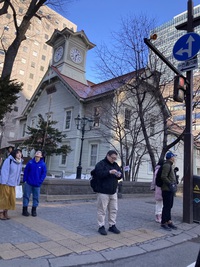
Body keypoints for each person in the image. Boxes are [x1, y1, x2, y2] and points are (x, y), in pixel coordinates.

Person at [92, 150, 123, 236]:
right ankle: (101, 226)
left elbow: (121, 175)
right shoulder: (101, 164)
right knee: (102, 210)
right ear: (108, 156)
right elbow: (98, 174)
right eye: (112, 158)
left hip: (113, 192)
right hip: (103, 192)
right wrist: (109, 172)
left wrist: (119, 175)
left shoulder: (115, 165)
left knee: (114, 209)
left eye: (115, 158)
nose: (114, 160)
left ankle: (112, 225)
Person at [22, 150, 47, 217]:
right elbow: (26, 171)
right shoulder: (30, 163)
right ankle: (24, 210)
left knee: (36, 197)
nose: (37, 155)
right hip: (28, 183)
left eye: (39, 154)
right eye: (36, 154)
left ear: (41, 156)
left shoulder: (43, 164)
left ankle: (34, 210)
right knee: (26, 196)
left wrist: (40, 181)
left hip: (37, 184)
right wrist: (25, 180)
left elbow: (43, 174)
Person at [0, 149, 23, 220]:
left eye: (20, 153)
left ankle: (5, 212)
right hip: (6, 183)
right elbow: (4, 171)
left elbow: (19, 173)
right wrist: (4, 182)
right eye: (18, 153)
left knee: (10, 199)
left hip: (13, 184)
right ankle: (1, 213)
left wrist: (17, 182)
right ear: (14, 154)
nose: (19, 154)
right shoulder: (9, 160)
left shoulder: (20, 162)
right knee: (4, 198)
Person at [160, 151, 178, 231]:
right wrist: (170, 183)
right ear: (171, 157)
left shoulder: (170, 165)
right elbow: (163, 176)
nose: (174, 158)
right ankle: (163, 222)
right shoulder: (167, 165)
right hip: (166, 189)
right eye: (173, 157)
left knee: (169, 206)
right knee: (166, 207)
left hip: (169, 189)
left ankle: (169, 221)